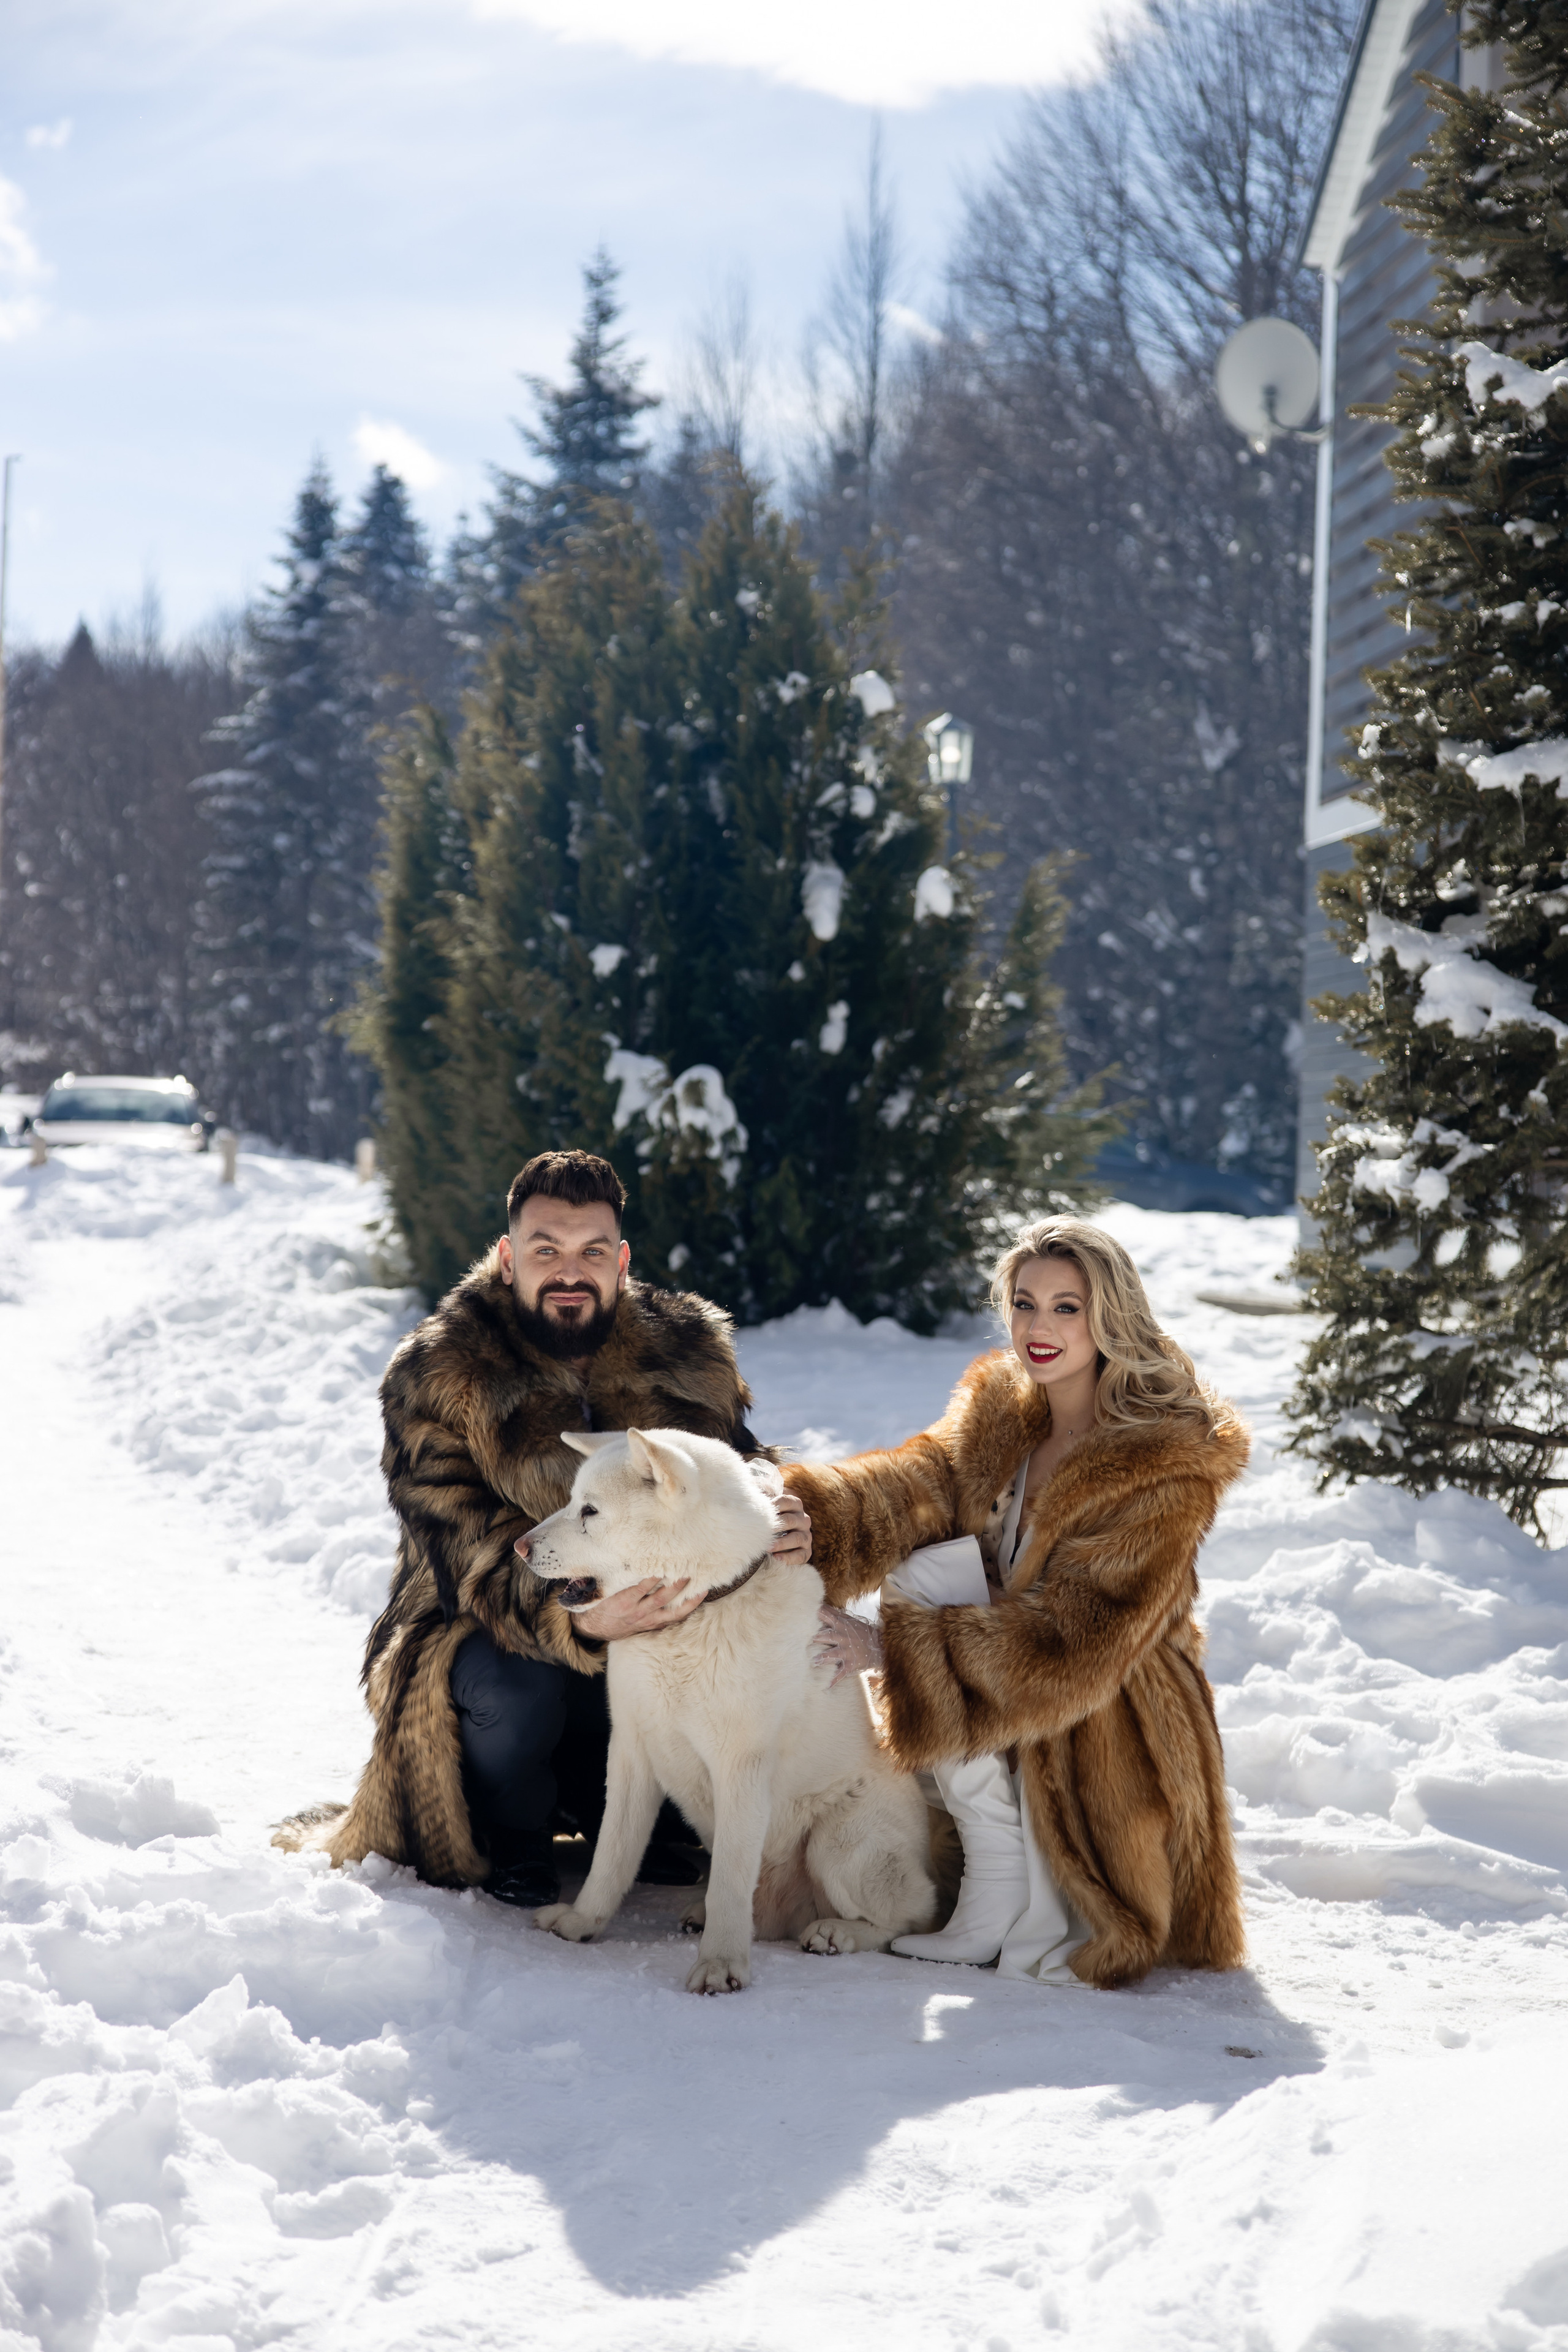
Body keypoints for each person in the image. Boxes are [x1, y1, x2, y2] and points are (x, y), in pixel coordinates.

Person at [314, 1148, 810, 1908]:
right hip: (482, 1619)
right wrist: (581, 1617)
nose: (569, 1271)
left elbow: (735, 1467)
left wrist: (782, 1506)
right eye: (547, 1250)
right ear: (509, 1258)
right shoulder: (441, 1370)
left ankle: (630, 1812)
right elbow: (466, 1545)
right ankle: (516, 1830)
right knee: (519, 1690)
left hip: (661, 1622)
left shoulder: (688, 1351)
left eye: (591, 1252)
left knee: (719, 1664)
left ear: (622, 1260)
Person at [794, 1216, 1249, 1990]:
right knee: (926, 1570)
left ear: (1111, 1316)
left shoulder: (1161, 1462)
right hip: (1001, 1685)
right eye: (1024, 1302)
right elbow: (915, 1483)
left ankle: (1012, 1880)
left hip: (1106, 1720)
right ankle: (991, 1858)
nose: (1038, 1328)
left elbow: (1075, 1644)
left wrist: (893, 1652)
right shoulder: (1005, 1411)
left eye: (1066, 1307)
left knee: (922, 1608)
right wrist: (810, 1516)